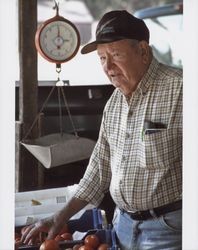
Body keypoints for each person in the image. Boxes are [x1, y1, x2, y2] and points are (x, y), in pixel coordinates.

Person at [21, 10, 182, 250]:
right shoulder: (114, 102)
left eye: (116, 54)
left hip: (170, 231)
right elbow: (99, 168)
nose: (108, 66)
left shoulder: (181, 90)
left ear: (143, 51)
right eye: (102, 58)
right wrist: (61, 216)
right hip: (123, 226)